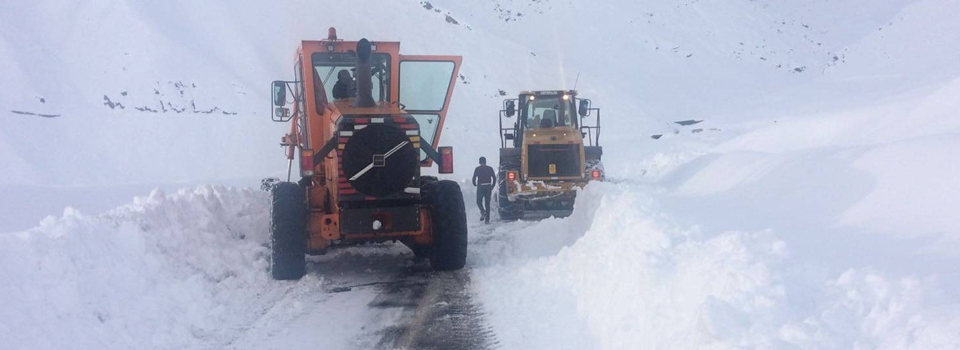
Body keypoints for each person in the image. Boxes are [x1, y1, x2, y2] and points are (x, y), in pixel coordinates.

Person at [472, 157, 496, 223]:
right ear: (485, 161)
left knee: (478, 201)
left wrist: (474, 183)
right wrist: (492, 185)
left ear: (479, 162)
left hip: (481, 186)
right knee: (487, 203)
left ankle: (483, 211)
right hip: (488, 186)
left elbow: (474, 177)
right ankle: (487, 220)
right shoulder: (490, 168)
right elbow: (494, 177)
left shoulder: (477, 169)